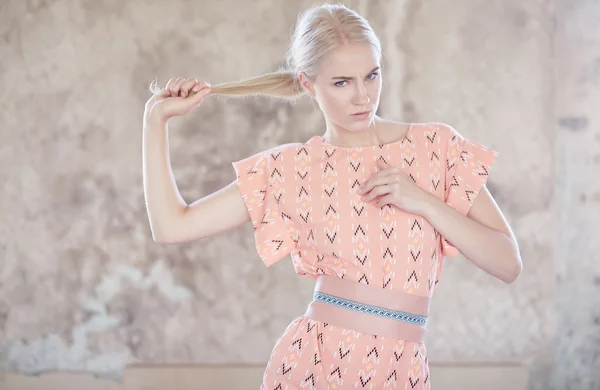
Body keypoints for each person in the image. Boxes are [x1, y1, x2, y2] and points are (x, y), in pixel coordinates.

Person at [142, 3, 522, 389]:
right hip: (316, 368)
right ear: (308, 83)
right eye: (342, 82)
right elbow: (171, 226)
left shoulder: (436, 147)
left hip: (403, 372)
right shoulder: (291, 170)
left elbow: (508, 264)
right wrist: (155, 122)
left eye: (372, 76)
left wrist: (424, 201)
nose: (363, 97)